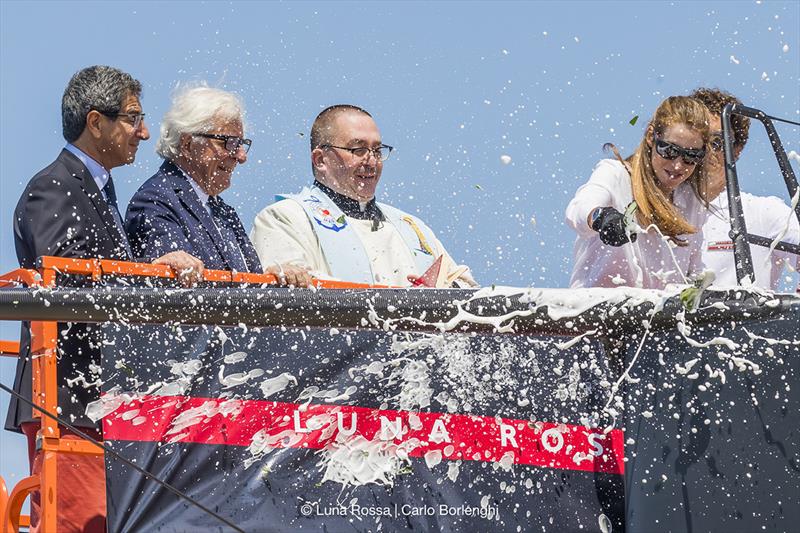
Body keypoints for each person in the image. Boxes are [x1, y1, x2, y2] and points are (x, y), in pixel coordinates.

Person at [7, 65, 202, 533]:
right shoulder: (53, 186)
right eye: (133, 118)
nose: (145, 131)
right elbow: (69, 285)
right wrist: (151, 276)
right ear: (96, 122)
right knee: (80, 524)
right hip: (69, 398)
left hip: (101, 396)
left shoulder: (96, 188)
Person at [250, 104, 476, 287]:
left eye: (377, 150)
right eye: (357, 150)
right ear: (320, 160)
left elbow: (464, 288)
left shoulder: (411, 227)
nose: (371, 161)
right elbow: (290, 288)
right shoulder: (284, 218)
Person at [125, 86, 310, 287]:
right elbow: (173, 285)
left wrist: (273, 279)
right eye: (229, 143)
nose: (241, 157)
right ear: (188, 144)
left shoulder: (222, 210)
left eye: (241, 143)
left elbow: (247, 289)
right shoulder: (155, 200)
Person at [566, 96, 711, 289]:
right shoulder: (615, 174)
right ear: (652, 137)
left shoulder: (692, 201)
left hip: (661, 317)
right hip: (599, 312)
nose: (678, 165)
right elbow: (578, 210)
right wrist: (601, 218)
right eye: (669, 151)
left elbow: (695, 274)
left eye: (691, 156)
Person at [691, 87, 800, 289]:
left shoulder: (763, 213)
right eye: (697, 141)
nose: (704, 152)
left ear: (737, 150)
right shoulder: (659, 209)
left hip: (744, 320)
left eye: (716, 142)